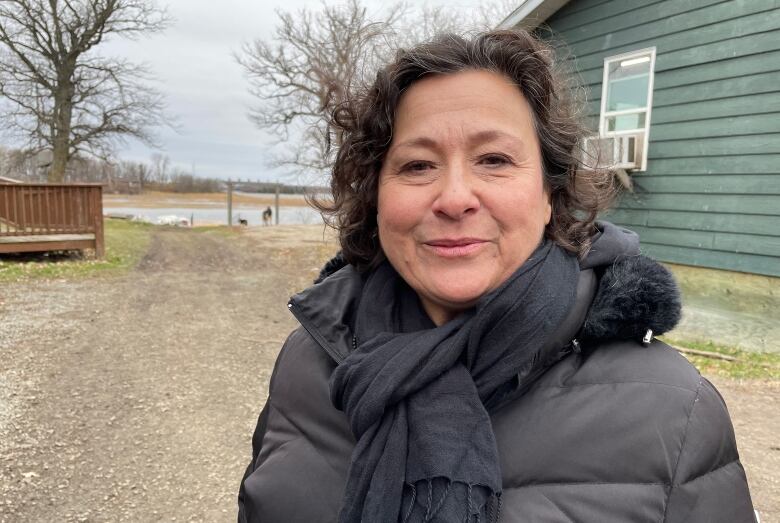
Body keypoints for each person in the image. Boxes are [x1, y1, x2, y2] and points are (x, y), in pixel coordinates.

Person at [238, 30, 755, 523]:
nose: (455, 198)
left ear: (550, 194)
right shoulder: (307, 366)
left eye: (494, 159)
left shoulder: (673, 412)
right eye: (417, 165)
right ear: (376, 196)